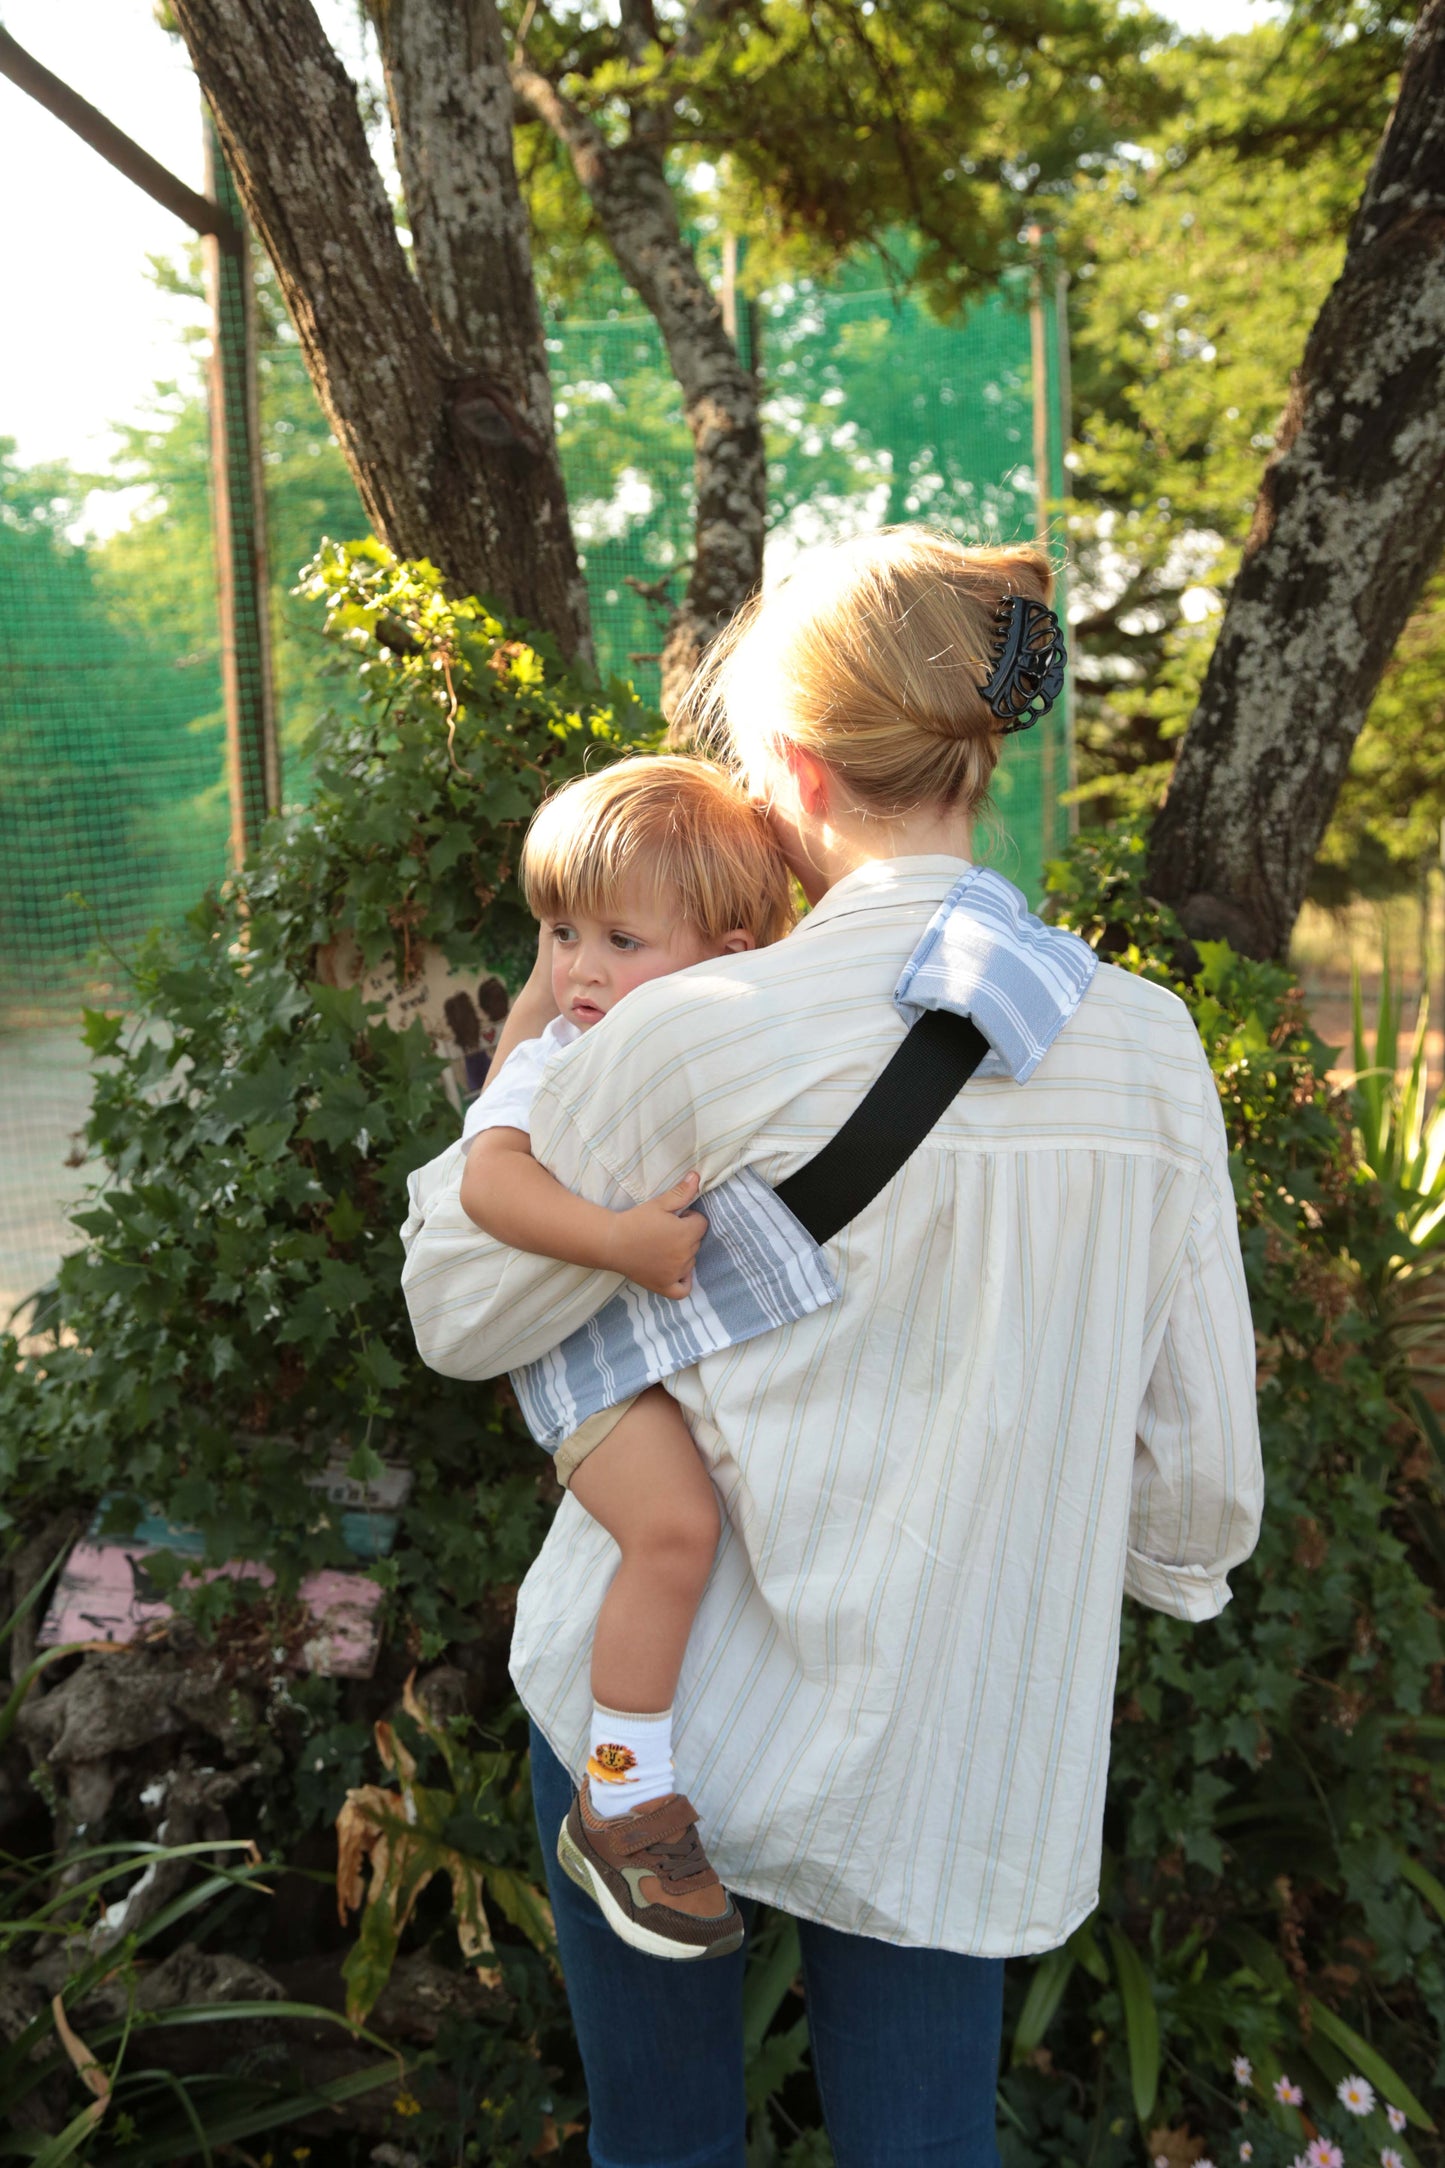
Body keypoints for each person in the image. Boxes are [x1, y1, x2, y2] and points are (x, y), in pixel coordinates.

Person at [401, 527, 1263, 2168]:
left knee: (664, 2146)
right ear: (974, 753)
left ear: (791, 763)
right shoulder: (1148, 1049)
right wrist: (1112, 1558)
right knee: (925, 2139)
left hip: (653, 1725)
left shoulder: (696, 1028)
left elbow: (459, 1314)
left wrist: (520, 1063)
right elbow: (1200, 1490)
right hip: (956, 1724)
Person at [456, 757, 794, 1961]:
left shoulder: (733, 1045)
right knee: (675, 1530)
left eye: (618, 937)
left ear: (728, 952)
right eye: (558, 932)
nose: (578, 969)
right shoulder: (558, 1055)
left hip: (661, 1345)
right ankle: (622, 1788)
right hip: (590, 1363)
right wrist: (616, 1239)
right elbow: (486, 1180)